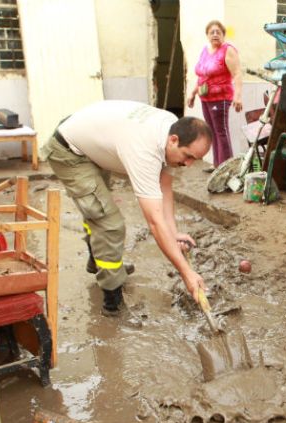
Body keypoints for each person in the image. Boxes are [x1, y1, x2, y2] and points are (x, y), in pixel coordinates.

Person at [40, 100, 213, 327]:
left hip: (88, 139)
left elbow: (165, 187)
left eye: (195, 160)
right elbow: (154, 221)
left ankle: (97, 262)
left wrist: (174, 233)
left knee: (96, 210)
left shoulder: (172, 131)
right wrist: (187, 273)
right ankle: (113, 303)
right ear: (173, 140)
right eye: (188, 156)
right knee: (108, 223)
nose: (189, 164)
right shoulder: (144, 150)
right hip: (69, 150)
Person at [188, 20, 243, 169]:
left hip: (220, 99)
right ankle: (218, 164)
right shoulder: (205, 51)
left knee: (221, 131)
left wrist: (238, 96)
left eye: (218, 32)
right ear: (207, 35)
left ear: (223, 35)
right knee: (212, 132)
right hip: (205, 97)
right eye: (211, 32)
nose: (215, 35)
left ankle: (227, 169)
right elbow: (201, 76)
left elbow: (237, 73)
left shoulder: (228, 50)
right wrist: (192, 93)